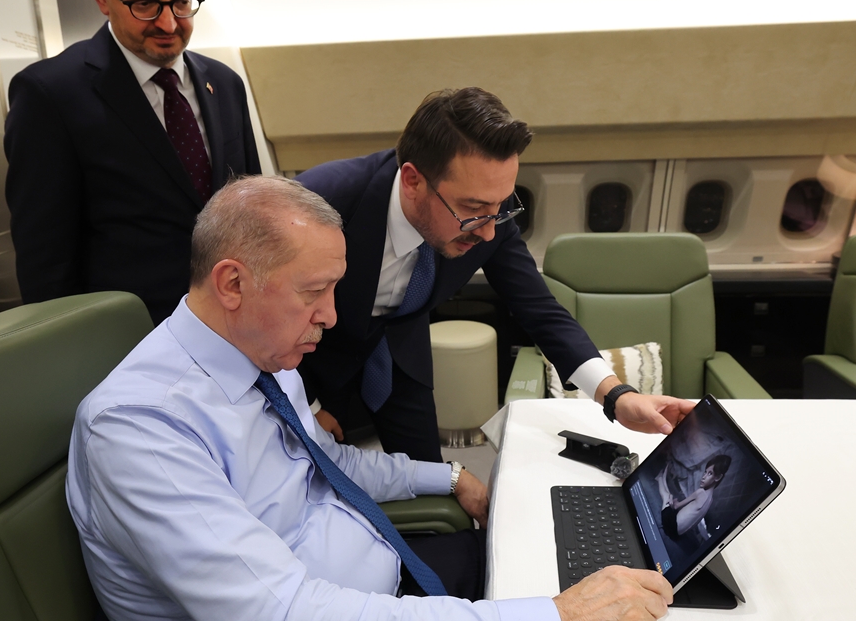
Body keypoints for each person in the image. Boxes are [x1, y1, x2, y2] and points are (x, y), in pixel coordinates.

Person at [66, 175, 674, 621]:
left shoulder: (262, 360)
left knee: (549, 553)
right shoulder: (142, 429)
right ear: (232, 283)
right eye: (314, 291)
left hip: (379, 593)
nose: (332, 315)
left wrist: (450, 475)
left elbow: (328, 463)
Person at [296, 87, 694, 461]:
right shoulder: (318, 201)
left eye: (501, 205)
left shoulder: (491, 219)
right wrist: (305, 404)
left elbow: (541, 310)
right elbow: (268, 314)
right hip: (310, 356)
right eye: (473, 209)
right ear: (414, 181)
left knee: (428, 471)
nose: (488, 232)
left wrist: (616, 396)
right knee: (316, 471)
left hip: (400, 355)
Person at [4, 0, 260, 325]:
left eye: (182, 0)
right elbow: (46, 264)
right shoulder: (50, 95)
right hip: (130, 343)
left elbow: (251, 211)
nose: (168, 23)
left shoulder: (225, 83)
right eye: (143, 3)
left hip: (236, 328)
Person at [657, 455, 730, 541]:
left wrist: (675, 503)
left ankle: (659, 478)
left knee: (667, 497)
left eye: (710, 473)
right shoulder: (710, 500)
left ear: (718, 477)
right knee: (670, 497)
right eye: (705, 472)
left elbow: (676, 506)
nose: (703, 477)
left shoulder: (701, 493)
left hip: (670, 526)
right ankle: (664, 475)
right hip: (677, 534)